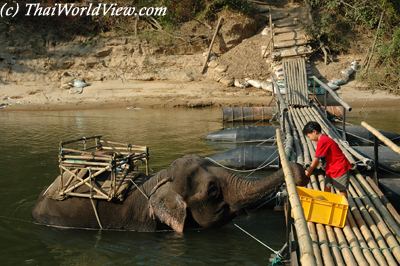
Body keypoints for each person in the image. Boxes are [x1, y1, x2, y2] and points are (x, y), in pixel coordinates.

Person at [302, 121, 352, 198]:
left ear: (314, 132)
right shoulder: (322, 139)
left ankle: (345, 207)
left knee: (341, 189)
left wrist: (308, 172)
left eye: (309, 136)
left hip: (339, 167)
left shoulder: (323, 141)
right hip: (331, 167)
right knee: (327, 187)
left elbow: (316, 159)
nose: (310, 139)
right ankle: (328, 203)